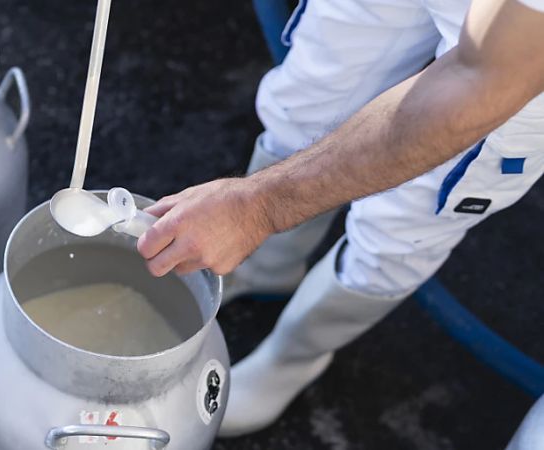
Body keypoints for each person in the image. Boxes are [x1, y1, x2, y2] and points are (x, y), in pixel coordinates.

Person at [135, 0, 544, 445]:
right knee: (306, 104)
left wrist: (257, 208)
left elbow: (480, 81)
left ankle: (293, 356)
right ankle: (266, 270)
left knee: (403, 223)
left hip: (516, 49)